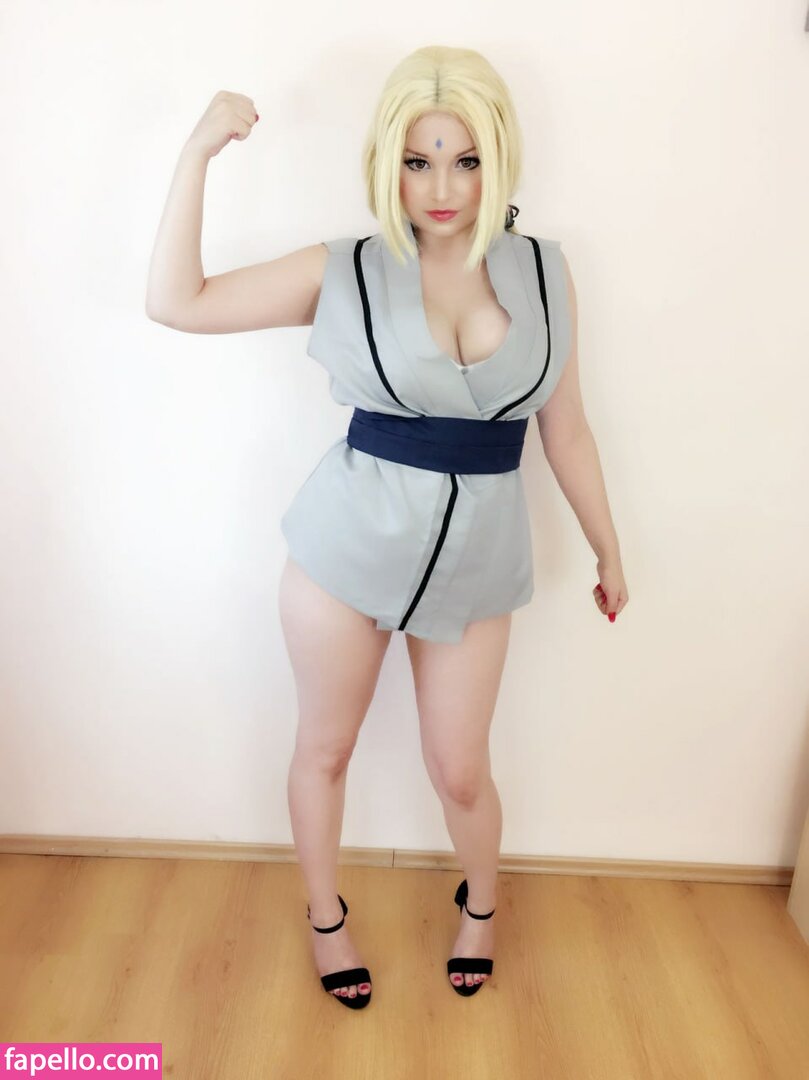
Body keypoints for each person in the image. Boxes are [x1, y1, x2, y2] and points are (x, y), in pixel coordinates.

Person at [145, 45, 628, 1011]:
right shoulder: (344, 270)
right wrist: (196, 152)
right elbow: (175, 302)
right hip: (344, 553)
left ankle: (480, 904)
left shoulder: (545, 272)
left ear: (498, 159)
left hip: (478, 563)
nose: (441, 187)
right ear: (387, 164)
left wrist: (609, 547)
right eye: (418, 161)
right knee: (325, 749)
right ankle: (326, 918)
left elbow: (565, 428)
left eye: (465, 160)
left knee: (461, 770)